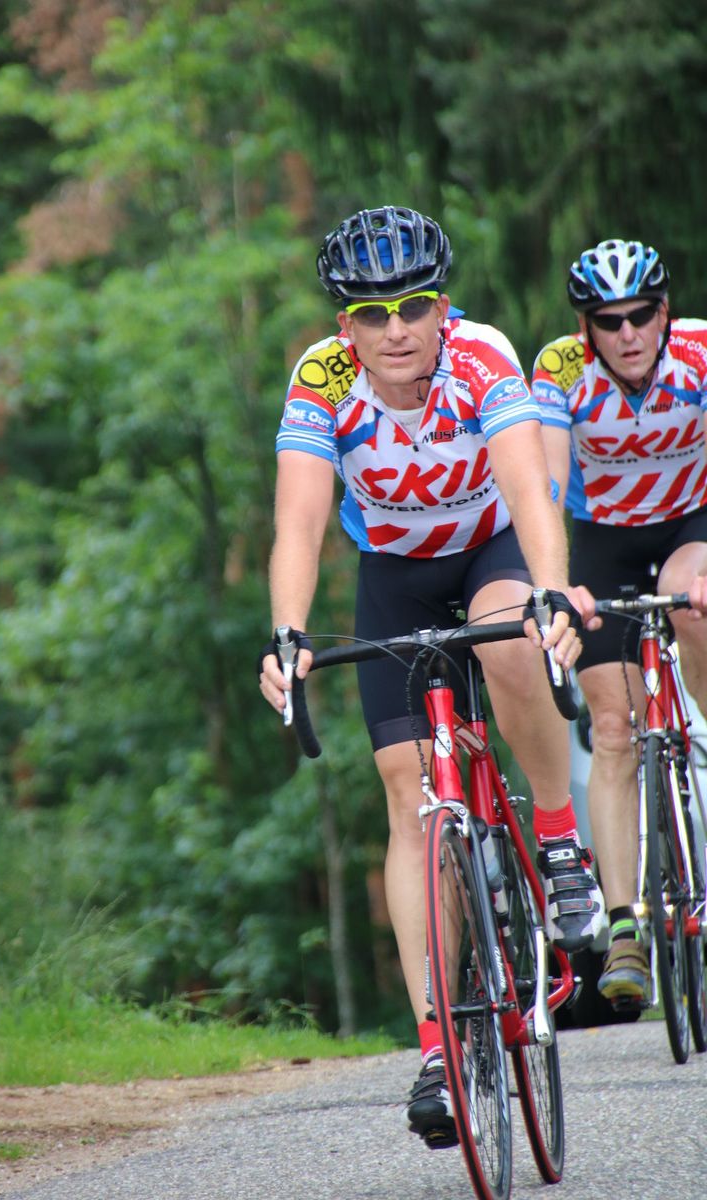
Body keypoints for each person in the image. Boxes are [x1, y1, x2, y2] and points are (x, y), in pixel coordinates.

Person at [258, 206, 605, 1149]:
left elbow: (529, 491)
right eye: (373, 314)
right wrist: (287, 634)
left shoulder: (482, 357)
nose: (397, 328)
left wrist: (549, 592)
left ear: (441, 308)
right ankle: (437, 1048)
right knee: (408, 794)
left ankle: (560, 842)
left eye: (414, 306)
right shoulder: (322, 382)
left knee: (509, 642)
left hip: (491, 548)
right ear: (346, 326)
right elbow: (299, 523)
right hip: (397, 576)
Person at [532, 238, 707, 1009]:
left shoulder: (699, 353)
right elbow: (545, 484)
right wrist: (557, 582)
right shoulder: (560, 370)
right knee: (611, 729)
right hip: (604, 540)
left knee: (689, 600)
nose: (628, 333)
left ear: (664, 313)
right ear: (586, 329)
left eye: (642, 315)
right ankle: (627, 924)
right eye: (609, 321)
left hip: (690, 525)